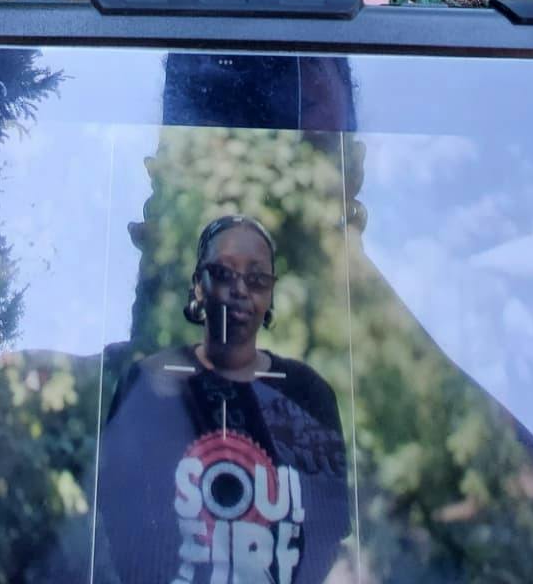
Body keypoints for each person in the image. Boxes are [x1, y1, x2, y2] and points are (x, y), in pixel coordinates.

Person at [94, 215, 350, 584]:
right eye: (224, 273)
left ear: (270, 293)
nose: (240, 289)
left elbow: (326, 530)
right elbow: (121, 516)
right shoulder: (149, 384)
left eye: (258, 278)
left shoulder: (305, 394)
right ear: (199, 285)